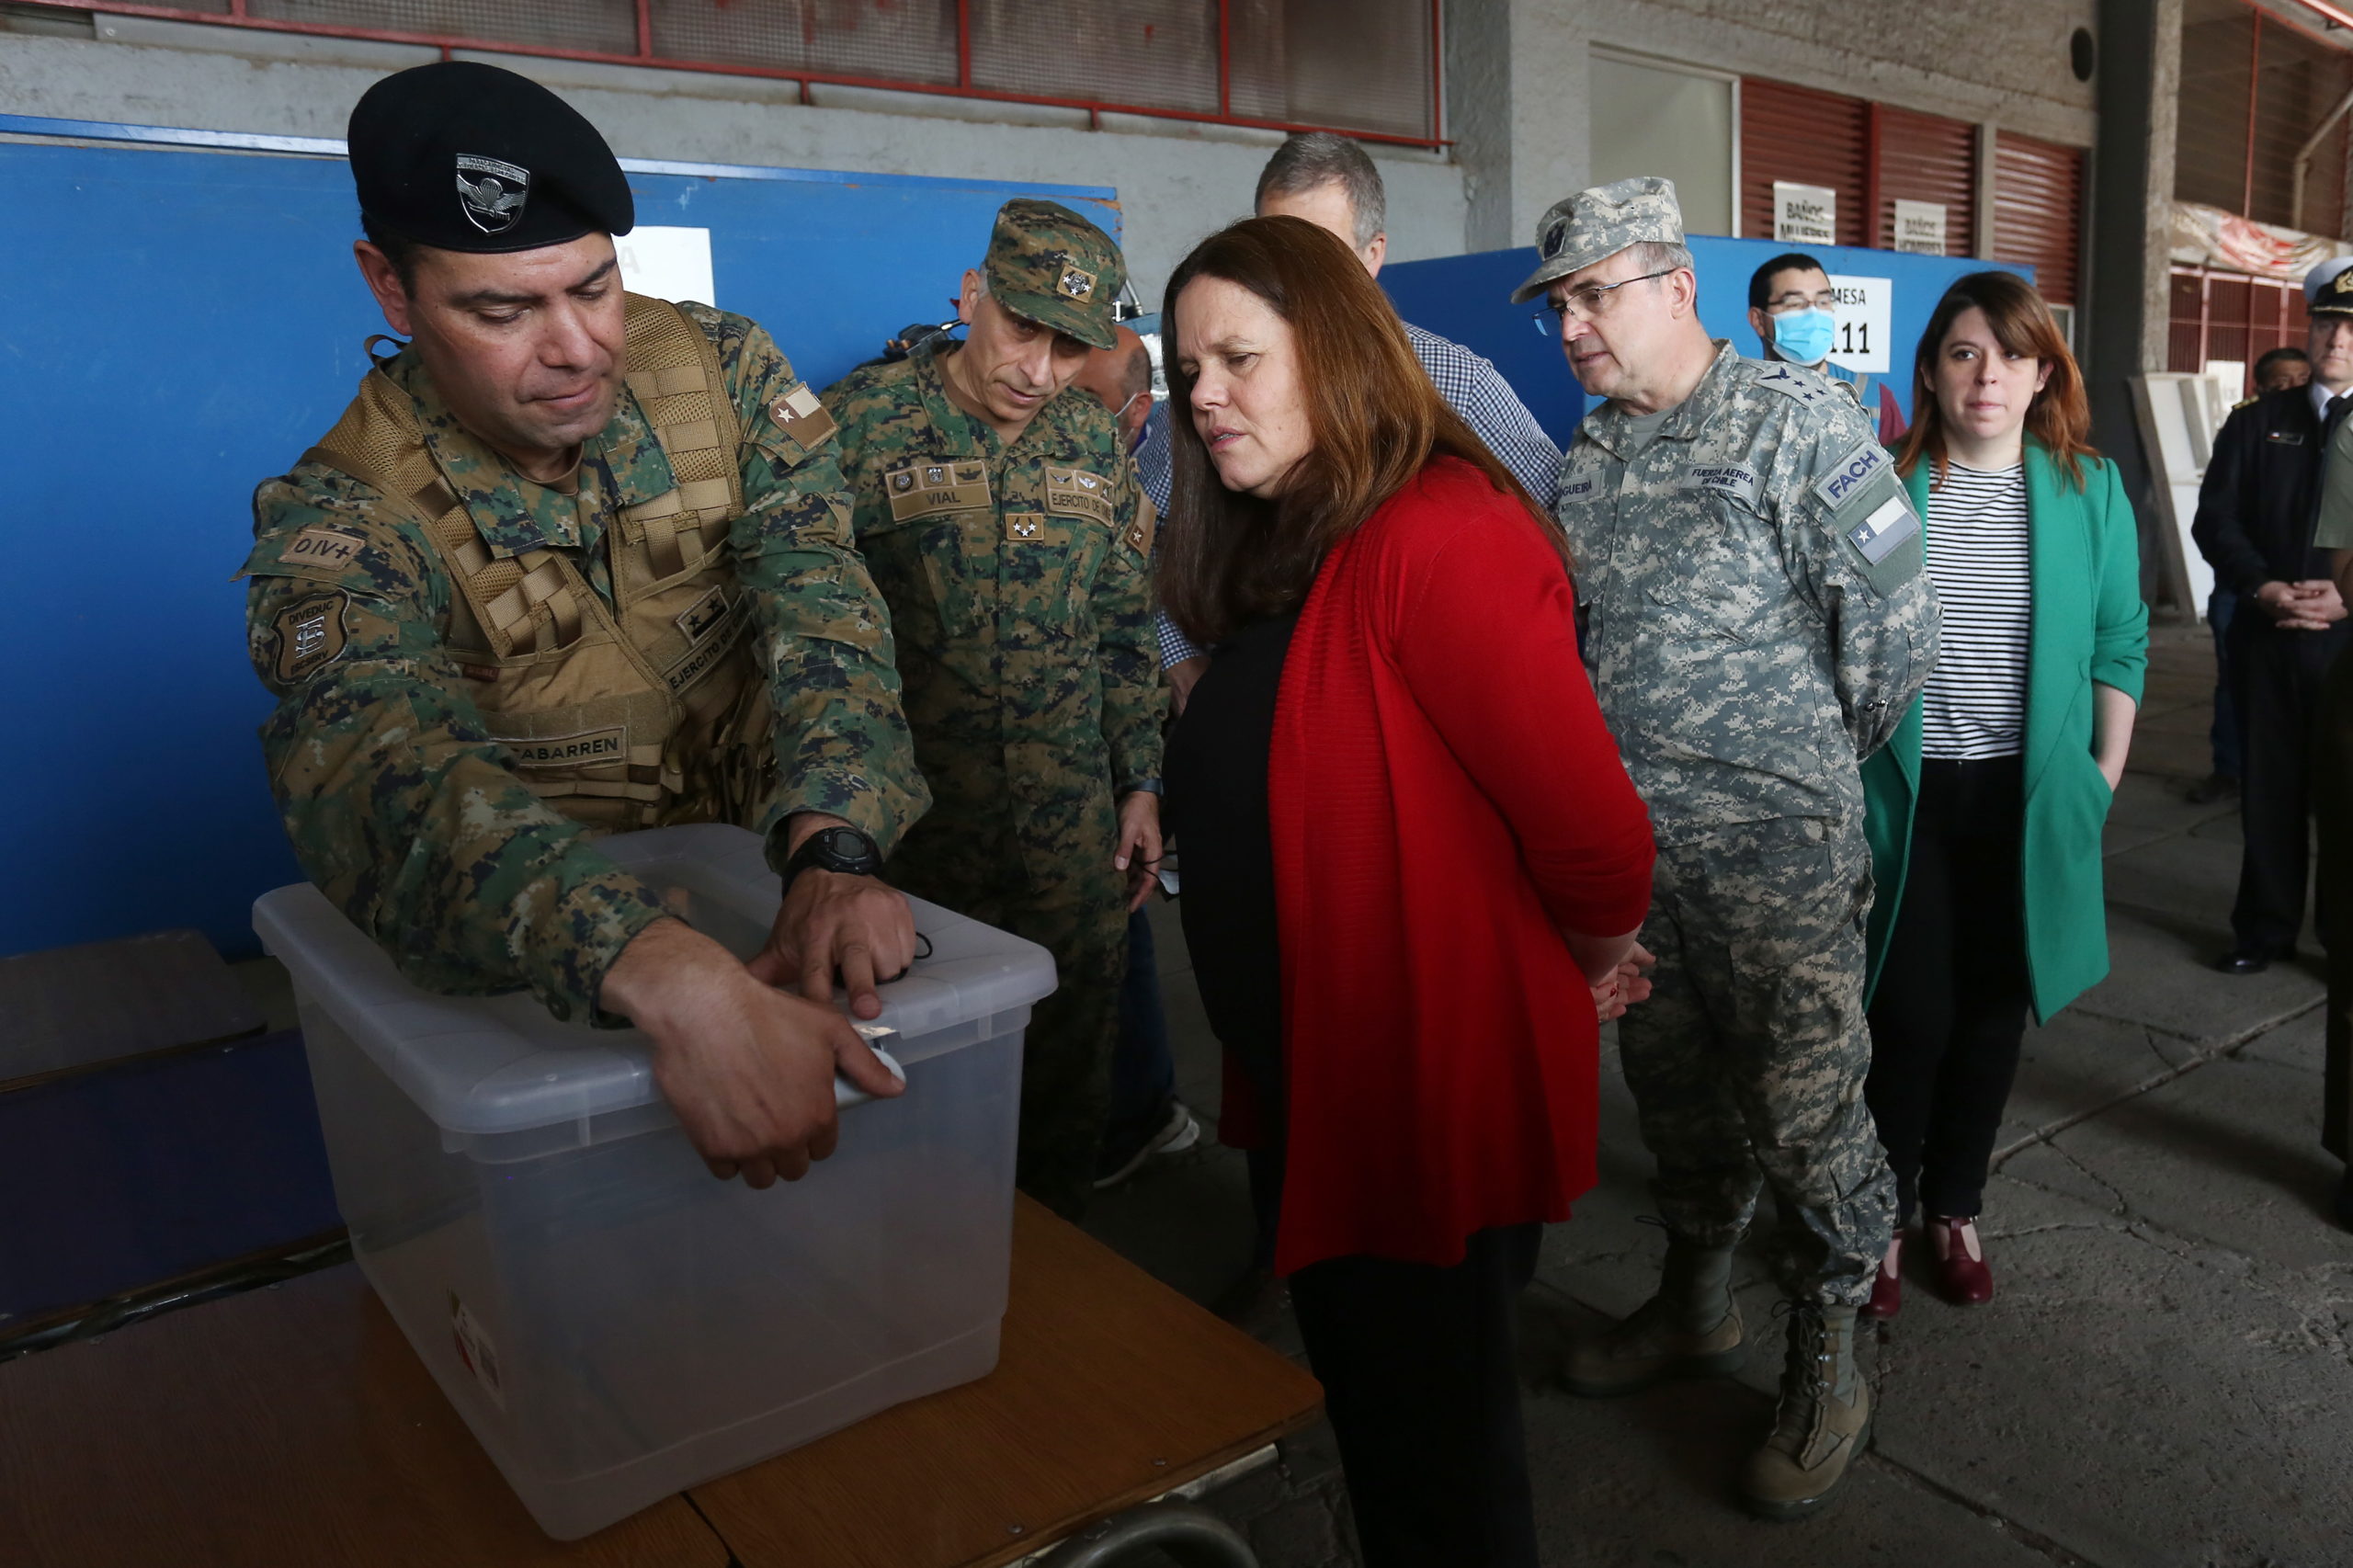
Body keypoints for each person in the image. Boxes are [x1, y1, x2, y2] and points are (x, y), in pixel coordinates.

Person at [239, 62, 926, 1188]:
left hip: (778, 887)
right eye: (503, 310)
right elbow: (372, 758)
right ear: (391, 290)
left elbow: (821, 594)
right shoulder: (350, 513)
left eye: (595, 287)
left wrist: (836, 841)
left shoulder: (723, 373)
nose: (577, 347)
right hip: (560, 980)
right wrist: (651, 961)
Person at [1158, 213, 1654, 1568]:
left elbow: (1600, 840)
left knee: (1436, 1465)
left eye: (1238, 358)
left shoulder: (1442, 531)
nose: (1202, 392)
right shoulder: (1294, 535)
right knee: (1392, 1434)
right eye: (1186, 363)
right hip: (1320, 1084)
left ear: (1334, 349)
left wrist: (1582, 960)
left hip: (1413, 1098)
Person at [1525, 177, 1938, 1519]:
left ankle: (1829, 1343)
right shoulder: (1584, 459)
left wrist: (1784, 775)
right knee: (1675, 1088)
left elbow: (1887, 641)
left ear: (1674, 282)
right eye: (1562, 305)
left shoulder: (1796, 421)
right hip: (1641, 860)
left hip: (1777, 857)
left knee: (1807, 1106)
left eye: (1595, 294)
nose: (1575, 327)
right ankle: (1697, 1299)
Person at [822, 200, 1162, 1220]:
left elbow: (1121, 627)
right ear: (972, 296)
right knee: (909, 1091)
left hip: (1069, 838)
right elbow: (805, 635)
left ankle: (1057, 1290)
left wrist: (1141, 779)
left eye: (1070, 347)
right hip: (917, 841)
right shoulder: (855, 427)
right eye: (1022, 328)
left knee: (1065, 1084)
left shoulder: (1091, 445)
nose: (1039, 369)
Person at [1859, 272, 2146, 1318]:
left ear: (2042, 374)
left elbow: (2120, 637)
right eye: (1964, 353)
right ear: (1931, 371)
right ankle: (1881, 1214)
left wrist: (2100, 777)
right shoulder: (1878, 490)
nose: (1989, 376)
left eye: (2012, 355)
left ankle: (1955, 1204)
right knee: (1906, 1009)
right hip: (1909, 795)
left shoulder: (2085, 489)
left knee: (1991, 1008)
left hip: (2024, 798)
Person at [1144, 131, 1563, 710]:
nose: (1292, 279)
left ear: (1372, 255)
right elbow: (1141, 534)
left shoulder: (1451, 379)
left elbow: (1544, 531)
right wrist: (1177, 655)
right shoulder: (1206, 397)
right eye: (1271, 244)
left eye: (1317, 252)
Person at [2193, 259, 2353, 976]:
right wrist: (2261, 587)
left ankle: (2345, 942)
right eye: (2327, 322)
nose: (2338, 339)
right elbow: (2216, 520)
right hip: (2270, 635)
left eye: (2352, 328)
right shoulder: (2259, 424)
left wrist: (2349, 596)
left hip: (2350, 644)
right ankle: (2264, 931)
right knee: (2269, 793)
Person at [1070, 325, 1201, 1188]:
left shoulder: (1180, 472)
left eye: (1082, 403)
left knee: (1119, 907)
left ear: (1136, 411)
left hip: (1118, 745)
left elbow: (1136, 617)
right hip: (1029, 749)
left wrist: (1144, 777)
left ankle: (1142, 1110)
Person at [1747, 253, 1906, 445]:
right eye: (1794, 303)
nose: (1813, 313)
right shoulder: (1738, 397)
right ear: (1758, 320)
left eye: (1823, 302)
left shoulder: (1874, 399)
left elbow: (1899, 473)